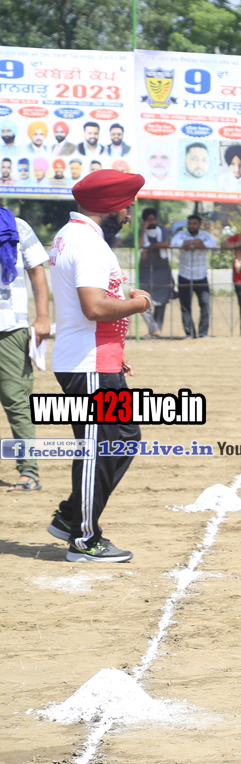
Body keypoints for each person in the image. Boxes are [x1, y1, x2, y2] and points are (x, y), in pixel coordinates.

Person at [44, 170, 151, 563]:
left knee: (123, 437)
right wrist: (139, 304)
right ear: (109, 207)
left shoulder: (73, 235)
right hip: (87, 364)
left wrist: (115, 348)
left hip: (96, 357)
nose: (129, 213)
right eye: (125, 206)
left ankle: (70, 516)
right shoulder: (88, 243)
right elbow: (94, 307)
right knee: (99, 448)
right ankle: (84, 540)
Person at [0, 206, 51, 491]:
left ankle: (29, 472)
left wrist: (43, 317)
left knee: (16, 401)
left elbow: (38, 274)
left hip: (10, 326)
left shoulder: (16, 226)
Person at [170, 214, 218, 338]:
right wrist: (195, 243)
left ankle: (203, 333)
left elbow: (213, 244)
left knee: (205, 304)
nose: (191, 226)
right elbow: (174, 243)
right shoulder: (181, 234)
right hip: (184, 275)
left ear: (199, 225)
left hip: (201, 276)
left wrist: (189, 244)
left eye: (194, 224)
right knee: (185, 306)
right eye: (190, 223)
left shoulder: (205, 235)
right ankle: (189, 333)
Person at [137, 208, 175, 337]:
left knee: (162, 300)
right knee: (142, 298)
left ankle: (156, 331)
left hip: (162, 270)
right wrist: (143, 230)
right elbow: (139, 245)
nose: (152, 222)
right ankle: (153, 328)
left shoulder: (162, 230)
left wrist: (150, 247)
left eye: (154, 219)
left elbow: (166, 243)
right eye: (149, 220)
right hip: (145, 271)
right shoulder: (141, 232)